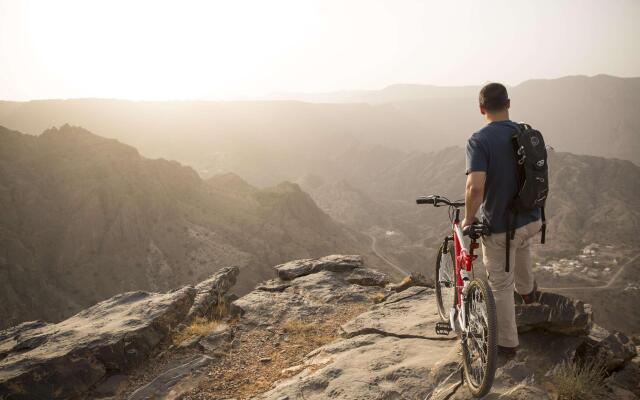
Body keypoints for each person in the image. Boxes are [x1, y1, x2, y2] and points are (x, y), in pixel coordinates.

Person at [462, 82, 542, 358]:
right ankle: (529, 295)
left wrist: (468, 219)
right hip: (532, 219)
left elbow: (475, 188)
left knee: (500, 285)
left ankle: (507, 345)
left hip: (501, 227)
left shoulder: (479, 140)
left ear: (481, 108)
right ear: (508, 103)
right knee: (521, 248)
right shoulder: (524, 131)